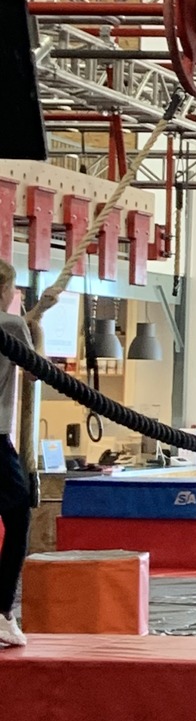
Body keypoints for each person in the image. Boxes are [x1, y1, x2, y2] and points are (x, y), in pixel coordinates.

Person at [0, 260, 31, 647]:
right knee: (19, 517)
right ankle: (3, 610)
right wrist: (33, 326)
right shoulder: (11, 326)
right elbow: (37, 372)